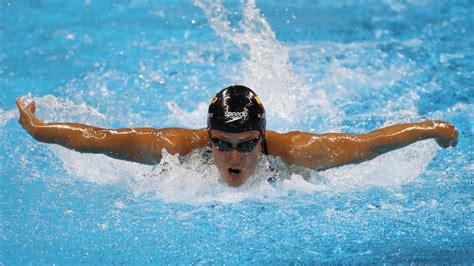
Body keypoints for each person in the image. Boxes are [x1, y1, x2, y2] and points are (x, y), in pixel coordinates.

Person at [16, 85, 458, 187]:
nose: (235, 157)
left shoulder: (298, 152)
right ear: (207, 137)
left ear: (261, 138)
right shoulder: (176, 148)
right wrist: (37, 130)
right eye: (222, 143)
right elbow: (101, 138)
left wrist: (429, 130)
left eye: (247, 144)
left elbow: (368, 144)